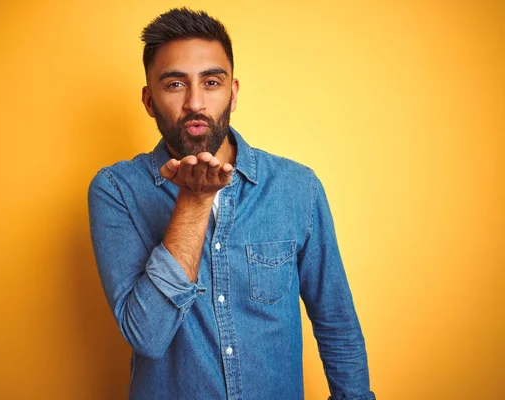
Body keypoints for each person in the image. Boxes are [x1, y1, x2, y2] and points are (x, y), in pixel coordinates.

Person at [88, 7, 375, 400]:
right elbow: (148, 336)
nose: (195, 103)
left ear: (233, 93)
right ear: (149, 99)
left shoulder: (297, 188)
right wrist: (194, 201)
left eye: (211, 82)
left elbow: (336, 322)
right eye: (174, 84)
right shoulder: (116, 190)